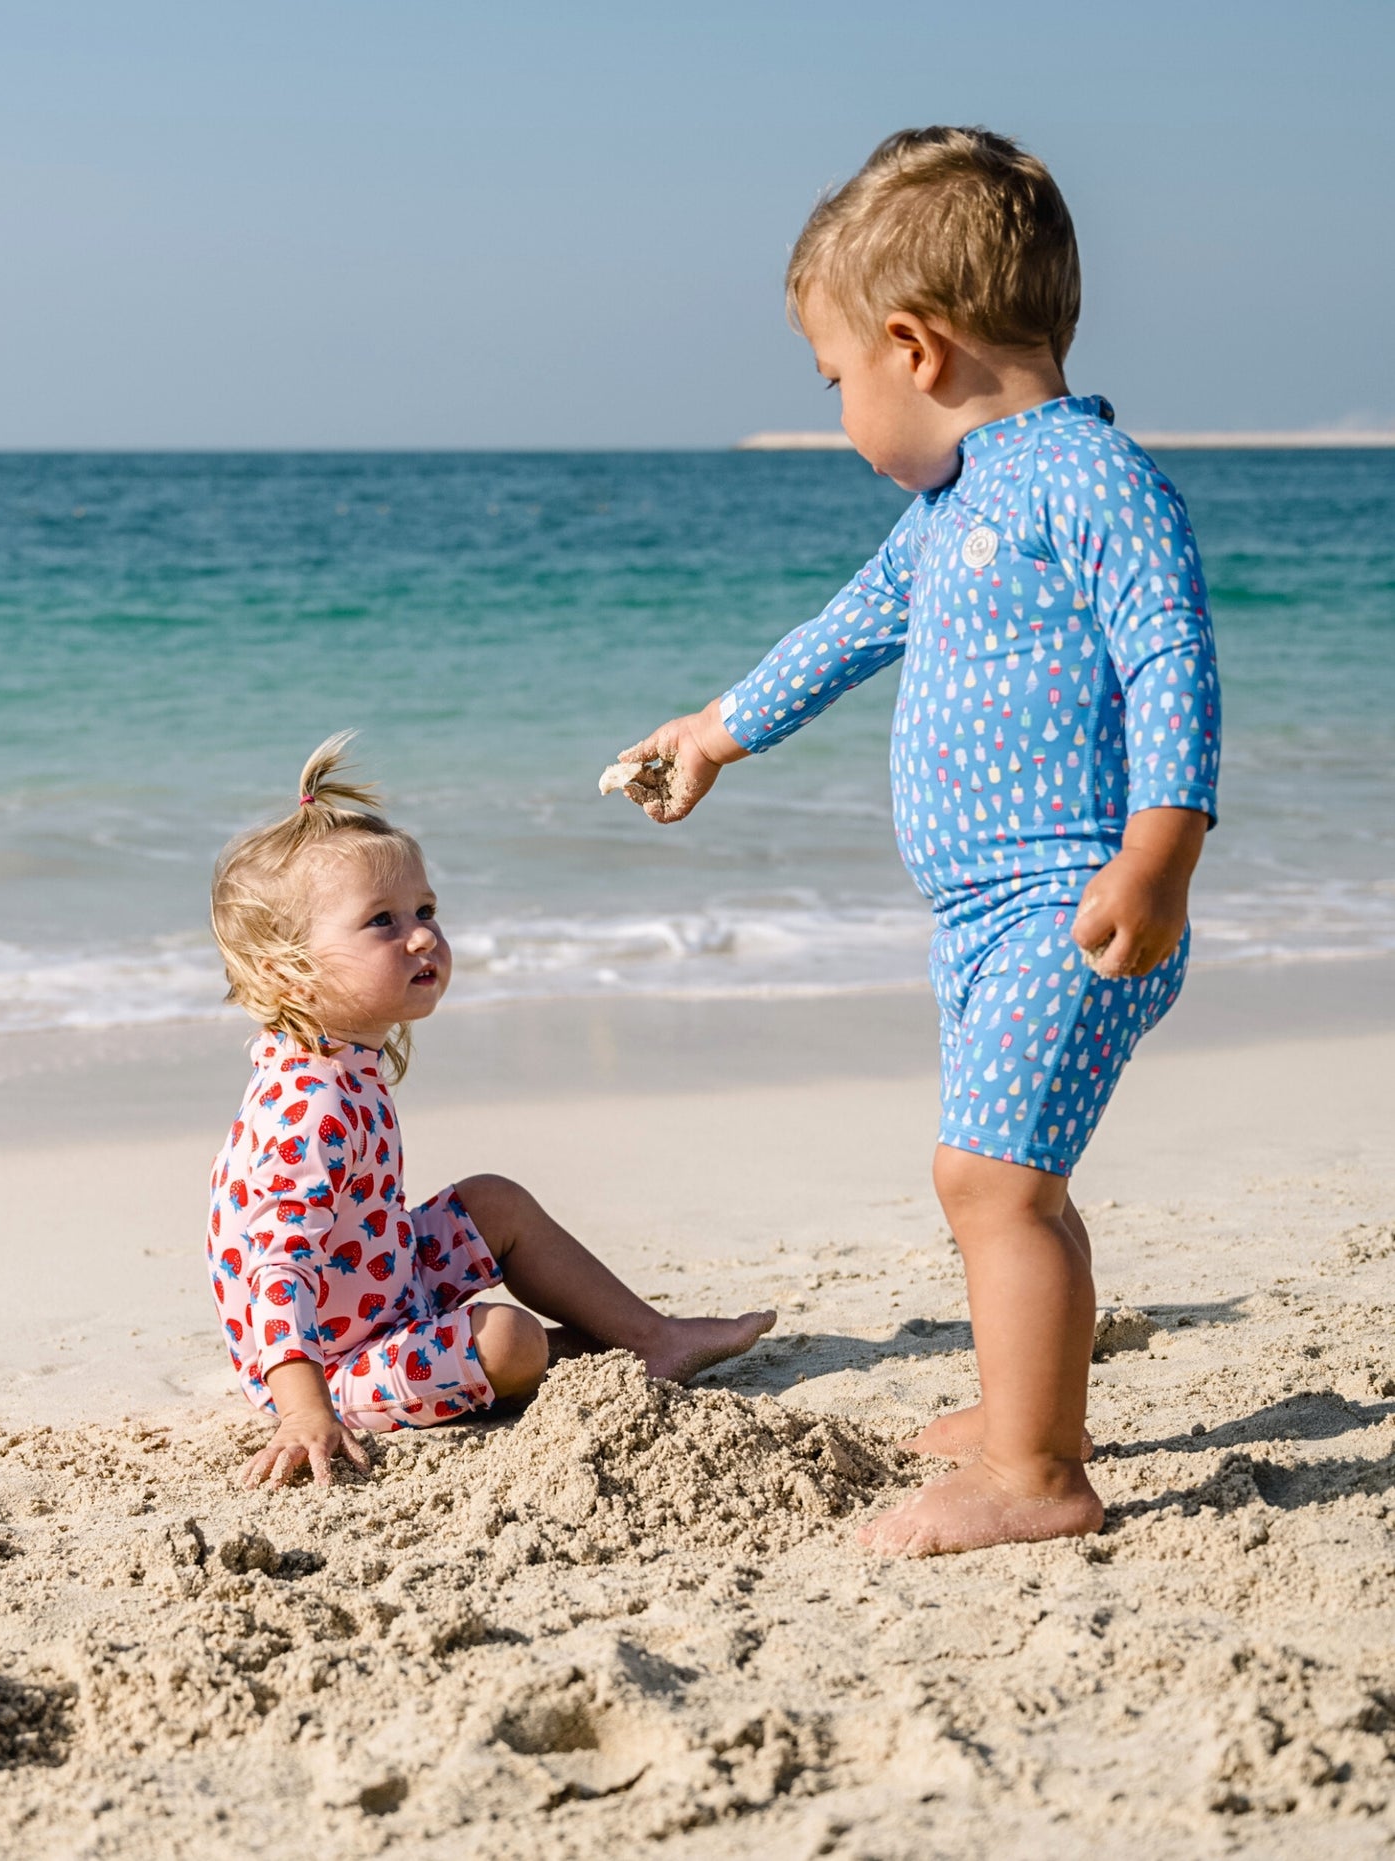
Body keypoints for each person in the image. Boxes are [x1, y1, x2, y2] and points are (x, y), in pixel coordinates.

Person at [613, 127, 1220, 1556]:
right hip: (982, 912)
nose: (839, 416)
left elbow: (1171, 655)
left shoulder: (1092, 479)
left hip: (1077, 897)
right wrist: (714, 729)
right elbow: (847, 633)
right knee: (1020, 1178)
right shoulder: (955, 509)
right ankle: (1031, 1412)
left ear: (914, 347)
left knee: (988, 1181)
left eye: (835, 383)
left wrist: (1161, 850)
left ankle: (1036, 1473)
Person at [206, 733, 774, 1488]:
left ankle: (651, 1337)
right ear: (290, 971)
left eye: (426, 907)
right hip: (326, 1361)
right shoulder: (308, 1106)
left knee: (493, 1201)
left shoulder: (342, 1058)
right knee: (508, 1340)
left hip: (382, 1281)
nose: (422, 934)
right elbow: (275, 1269)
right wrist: (305, 1410)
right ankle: (575, 1356)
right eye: (382, 920)